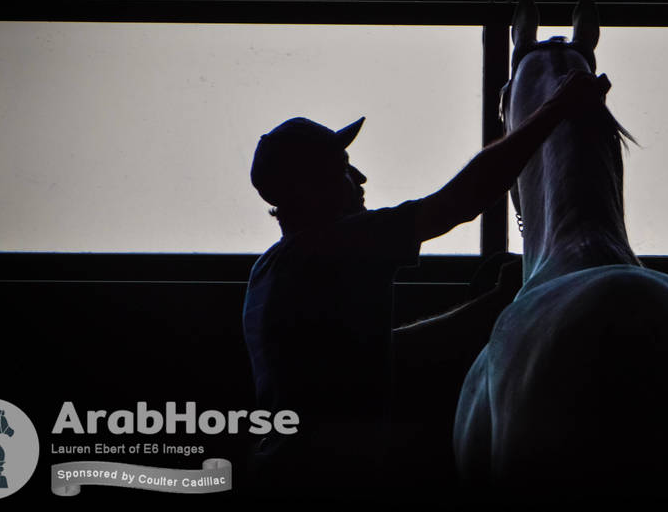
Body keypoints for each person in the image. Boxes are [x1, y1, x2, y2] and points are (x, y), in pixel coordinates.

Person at [242, 69, 610, 498]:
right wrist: (556, 109)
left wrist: (488, 308)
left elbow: (376, 349)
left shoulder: (270, 271)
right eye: (342, 169)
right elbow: (458, 202)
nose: (359, 178)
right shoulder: (336, 245)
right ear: (308, 189)